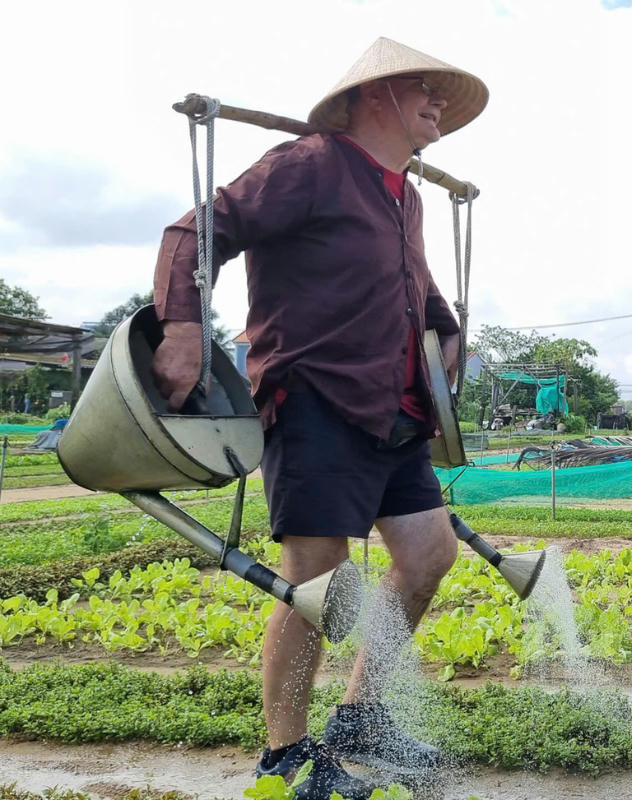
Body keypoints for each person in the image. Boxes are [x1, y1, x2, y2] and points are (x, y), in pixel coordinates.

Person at [151, 37, 488, 799]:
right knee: (317, 583)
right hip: (316, 399)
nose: (437, 103)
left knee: (429, 556)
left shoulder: (406, 194)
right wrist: (180, 327)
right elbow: (195, 231)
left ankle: (361, 714)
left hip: (396, 411)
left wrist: (447, 336)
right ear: (377, 96)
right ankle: (285, 754)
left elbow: (419, 292)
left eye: (439, 93)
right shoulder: (310, 164)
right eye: (423, 90)